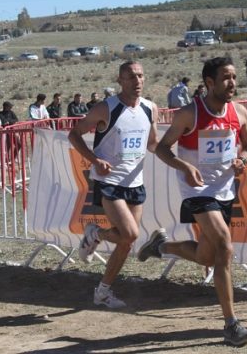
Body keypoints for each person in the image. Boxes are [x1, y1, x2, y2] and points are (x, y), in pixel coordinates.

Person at [137, 56, 247, 347]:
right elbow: (163, 149)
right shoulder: (189, 114)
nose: (232, 83)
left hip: (226, 189)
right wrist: (184, 167)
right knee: (225, 247)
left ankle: (160, 246)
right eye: (226, 77)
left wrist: (242, 158)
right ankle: (231, 324)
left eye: (234, 77)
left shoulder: (239, 112)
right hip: (197, 190)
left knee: (206, 256)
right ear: (209, 82)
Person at [68, 60, 159, 310]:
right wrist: (95, 160)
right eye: (130, 77)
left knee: (126, 242)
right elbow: (74, 135)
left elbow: (152, 143)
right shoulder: (106, 109)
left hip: (135, 181)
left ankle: (103, 292)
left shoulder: (151, 108)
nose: (137, 81)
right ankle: (95, 233)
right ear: (120, 81)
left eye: (140, 76)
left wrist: (177, 153)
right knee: (130, 233)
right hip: (110, 181)